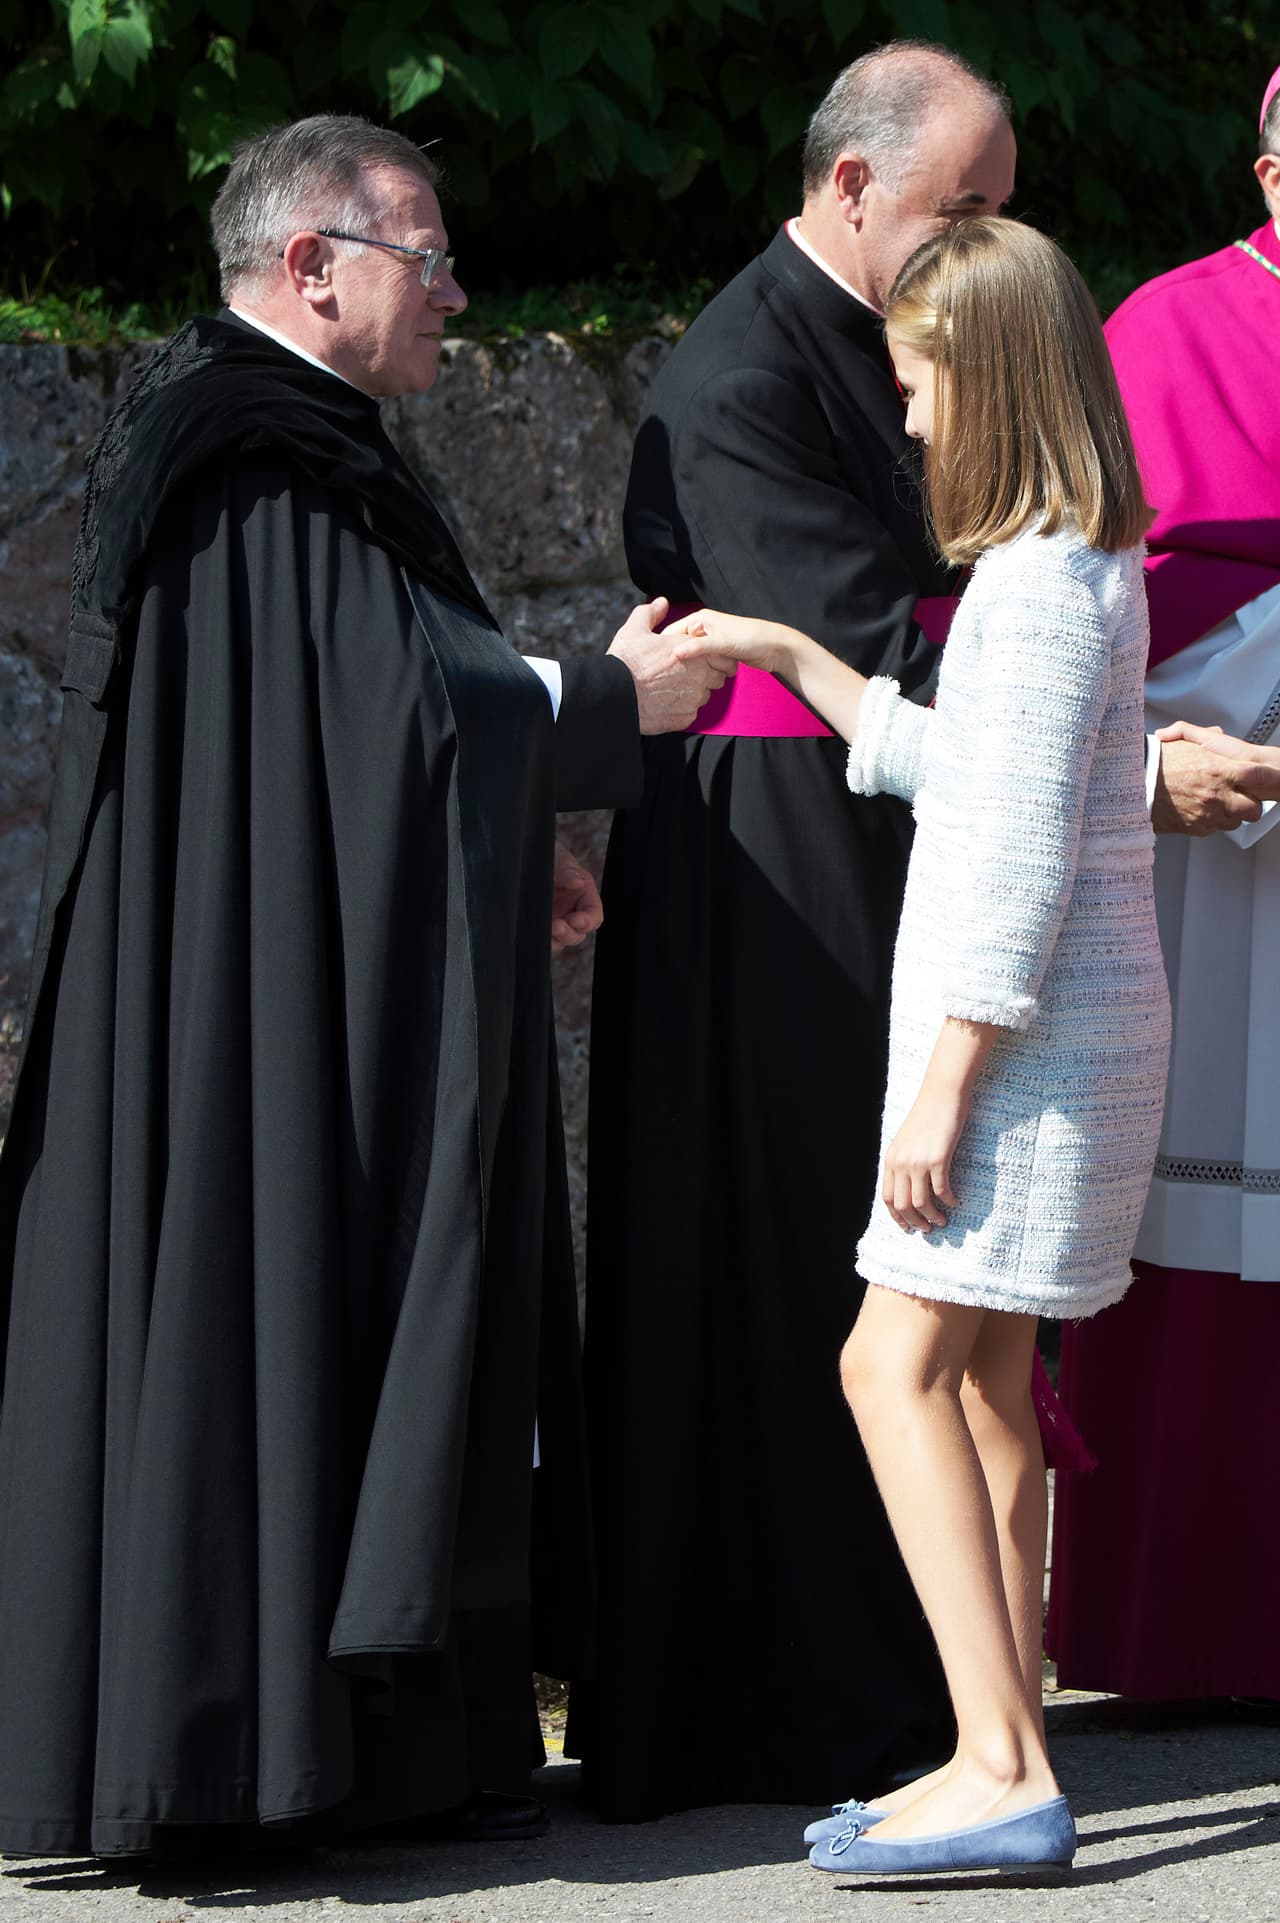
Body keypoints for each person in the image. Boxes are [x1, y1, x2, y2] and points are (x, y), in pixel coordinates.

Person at [0, 115, 724, 1859]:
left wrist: (521, 825)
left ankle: (400, 1743)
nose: (457, 294)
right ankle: (247, 1755)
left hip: (301, 967)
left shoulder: (305, 439)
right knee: (295, 1295)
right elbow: (397, 712)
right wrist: (599, 703)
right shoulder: (247, 451)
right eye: (429, 256)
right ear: (311, 267)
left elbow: (371, 722)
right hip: (265, 1012)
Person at [671, 213, 1170, 1877]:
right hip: (1068, 1040)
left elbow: (1015, 866)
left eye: (921, 380)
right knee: (986, 1383)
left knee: (888, 1368)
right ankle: (1000, 1738)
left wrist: (942, 1092)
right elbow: (963, 770)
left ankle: (999, 1763)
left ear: (996, 376)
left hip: (1016, 1057)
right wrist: (789, 652)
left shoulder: (1032, 591)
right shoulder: (1073, 568)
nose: (906, 418)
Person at [1047, 64, 1280, 1710]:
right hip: (1212, 861)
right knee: (1201, 1235)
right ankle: (1185, 1631)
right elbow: (1092, 590)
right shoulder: (1165, 328)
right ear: (1268, 162)